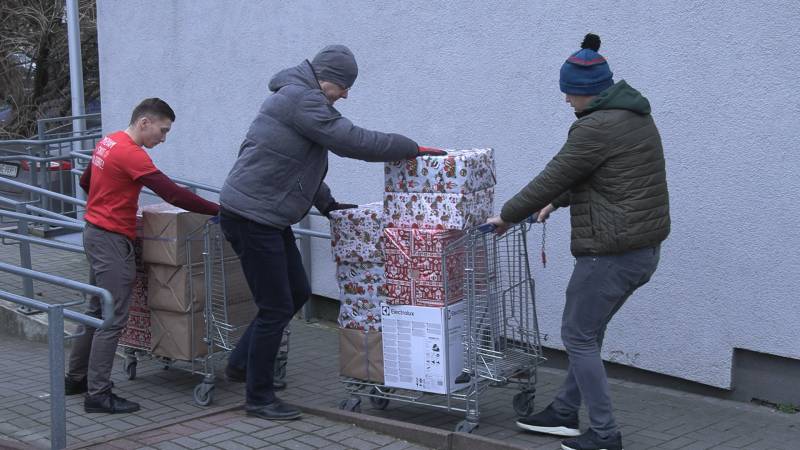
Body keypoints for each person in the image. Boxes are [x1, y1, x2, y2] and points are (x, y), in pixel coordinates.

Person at [219, 44, 445, 421]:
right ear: (328, 80)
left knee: (296, 292)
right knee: (275, 306)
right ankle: (258, 398)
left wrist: (327, 204)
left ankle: (242, 364)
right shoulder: (301, 100)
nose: (346, 95)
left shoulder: (299, 100)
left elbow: (299, 163)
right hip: (252, 216)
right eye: (344, 87)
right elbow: (351, 141)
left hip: (266, 216)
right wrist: (411, 148)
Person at [486, 34, 670, 450]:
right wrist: (558, 202)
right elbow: (606, 177)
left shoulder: (596, 127)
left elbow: (557, 173)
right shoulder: (634, 117)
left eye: (569, 93)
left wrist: (508, 215)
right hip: (642, 251)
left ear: (586, 92)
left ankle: (605, 435)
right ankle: (565, 411)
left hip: (610, 254)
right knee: (589, 331)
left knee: (578, 335)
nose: (566, 100)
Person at [65, 98, 220, 414]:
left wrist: (104, 201)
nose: (162, 139)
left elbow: (86, 180)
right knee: (113, 316)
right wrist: (219, 210)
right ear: (144, 122)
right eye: (162, 131)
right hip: (110, 239)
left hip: (94, 232)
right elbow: (172, 193)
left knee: (96, 309)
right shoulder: (131, 154)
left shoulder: (109, 141)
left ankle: (76, 379)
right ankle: (98, 393)